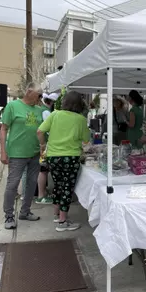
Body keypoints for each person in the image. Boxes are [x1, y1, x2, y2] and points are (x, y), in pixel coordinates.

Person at [37, 91, 90, 232]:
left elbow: (40, 131)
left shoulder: (55, 114)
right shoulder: (80, 119)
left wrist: (43, 146)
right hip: (71, 157)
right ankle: (62, 221)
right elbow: (86, 140)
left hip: (53, 156)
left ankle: (56, 215)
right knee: (67, 188)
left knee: (58, 185)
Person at [0, 82, 44, 229]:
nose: (40, 98)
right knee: (12, 184)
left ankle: (25, 211)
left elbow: (41, 130)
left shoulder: (39, 110)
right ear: (29, 92)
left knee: (32, 184)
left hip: (34, 153)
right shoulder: (12, 106)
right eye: (39, 95)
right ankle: (8, 216)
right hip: (17, 153)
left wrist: (43, 148)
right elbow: (4, 129)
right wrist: (3, 151)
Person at [35, 93, 58, 205]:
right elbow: (48, 129)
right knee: (43, 170)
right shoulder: (46, 112)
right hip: (44, 145)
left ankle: (42, 193)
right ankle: (41, 195)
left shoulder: (42, 110)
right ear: (51, 102)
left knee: (43, 169)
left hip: (43, 144)